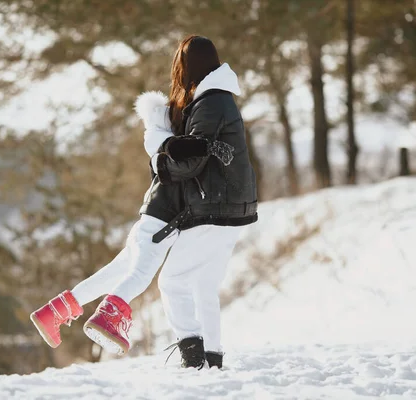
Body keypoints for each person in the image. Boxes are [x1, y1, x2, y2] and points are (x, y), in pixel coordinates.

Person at [30, 35, 258, 369]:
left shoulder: (207, 103)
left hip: (199, 209)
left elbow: (190, 158)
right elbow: (187, 156)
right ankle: (199, 355)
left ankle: (69, 310)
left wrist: (161, 157)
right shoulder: (194, 111)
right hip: (180, 212)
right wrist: (164, 154)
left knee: (143, 273)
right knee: (157, 276)